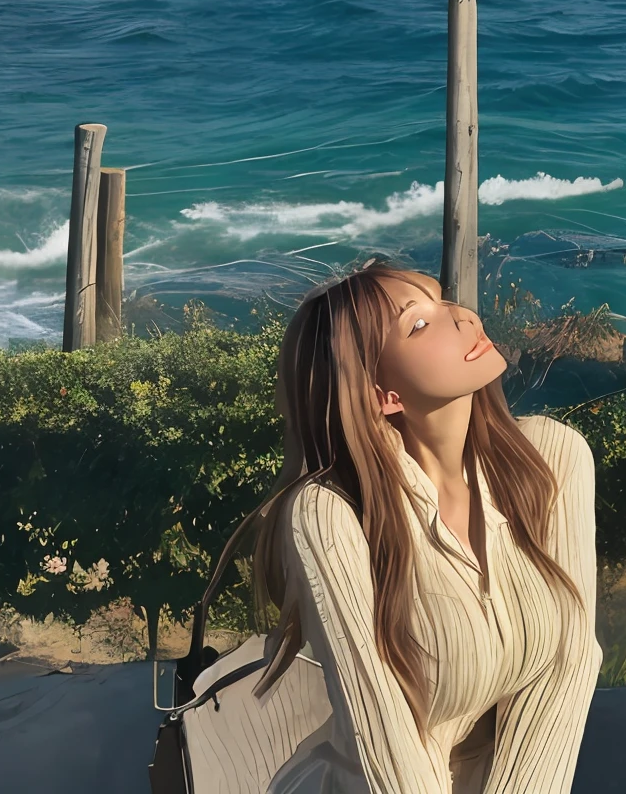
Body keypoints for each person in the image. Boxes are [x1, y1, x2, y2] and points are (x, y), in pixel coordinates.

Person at [251, 264, 600, 794]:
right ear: (382, 395)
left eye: (444, 302)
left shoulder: (551, 460)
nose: (462, 317)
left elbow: (567, 669)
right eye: (419, 324)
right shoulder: (330, 515)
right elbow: (384, 730)